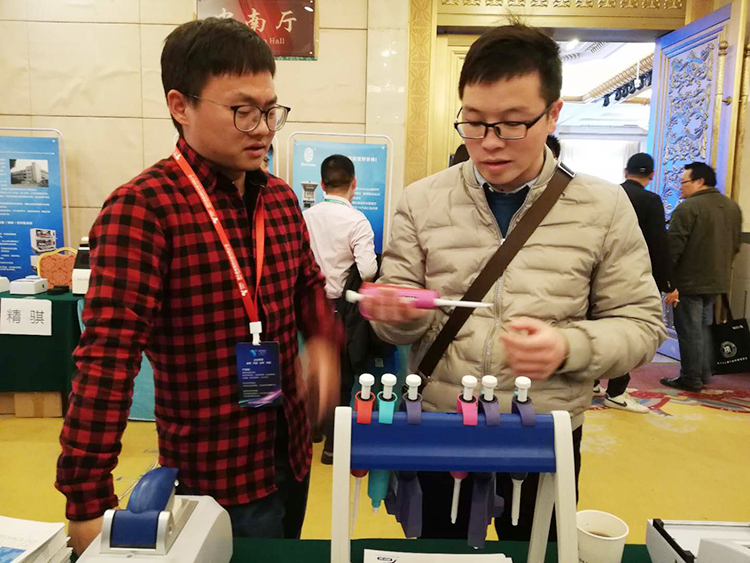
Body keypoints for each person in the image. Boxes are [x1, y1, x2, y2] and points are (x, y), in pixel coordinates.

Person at [359, 24, 665, 541]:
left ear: (553, 113)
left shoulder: (603, 206)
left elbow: (642, 323)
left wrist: (568, 347)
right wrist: (396, 317)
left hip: (545, 432)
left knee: (537, 549)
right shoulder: (422, 200)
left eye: (512, 124)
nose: (489, 143)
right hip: (440, 424)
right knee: (440, 551)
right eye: (474, 122)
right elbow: (401, 320)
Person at [56, 18, 341, 555]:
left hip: (290, 456)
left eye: (270, 110)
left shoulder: (279, 200)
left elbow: (308, 287)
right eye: (243, 111)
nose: (263, 128)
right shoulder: (144, 209)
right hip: (214, 478)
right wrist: (87, 500)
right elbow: (108, 360)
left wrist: (323, 340)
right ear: (180, 106)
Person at [303, 154, 378, 463]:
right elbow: (369, 269)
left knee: (315, 366)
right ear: (354, 184)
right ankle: (333, 447)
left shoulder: (305, 217)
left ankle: (312, 432)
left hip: (308, 305)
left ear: (322, 184)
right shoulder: (357, 221)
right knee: (343, 375)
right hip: (341, 308)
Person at [594, 152, 676, 413]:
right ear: (652, 175)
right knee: (626, 330)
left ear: (625, 171)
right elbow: (658, 243)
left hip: (598, 274)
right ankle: (616, 392)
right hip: (634, 275)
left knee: (595, 326)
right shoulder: (651, 201)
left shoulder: (609, 195)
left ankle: (592, 382)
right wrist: (667, 283)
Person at [661, 162, 742, 392]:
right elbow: (736, 245)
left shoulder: (688, 208)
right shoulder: (732, 207)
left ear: (699, 181)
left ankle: (690, 378)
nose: (680, 187)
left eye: (683, 182)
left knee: (689, 331)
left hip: (689, 282)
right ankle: (704, 373)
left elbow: (673, 248)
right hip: (717, 280)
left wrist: (668, 281)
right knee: (704, 328)